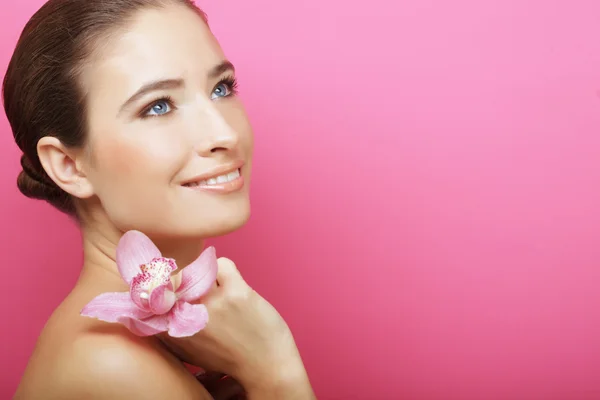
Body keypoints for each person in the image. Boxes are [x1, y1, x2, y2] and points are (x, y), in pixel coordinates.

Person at [3, 0, 316, 399]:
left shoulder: (144, 350)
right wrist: (276, 373)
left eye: (221, 88)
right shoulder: (112, 365)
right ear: (70, 166)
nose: (225, 134)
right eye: (158, 106)